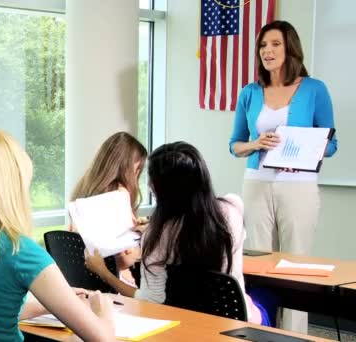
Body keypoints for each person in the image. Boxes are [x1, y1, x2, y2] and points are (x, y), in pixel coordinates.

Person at [0, 129, 115, 342]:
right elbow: (103, 339)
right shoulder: (21, 252)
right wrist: (102, 309)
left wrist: (54, 302)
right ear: (13, 185)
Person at [228, 20, 337, 333]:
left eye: (275, 44)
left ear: (290, 49)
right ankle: (261, 331)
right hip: (256, 185)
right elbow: (235, 145)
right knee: (259, 266)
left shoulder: (314, 89)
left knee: (295, 268)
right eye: (263, 45)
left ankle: (293, 336)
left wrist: (305, 155)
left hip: (298, 188)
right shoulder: (250, 93)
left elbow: (331, 143)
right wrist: (256, 144)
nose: (267, 51)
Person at [85, 142, 267, 325]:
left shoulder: (158, 236)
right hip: (235, 323)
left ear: (159, 189)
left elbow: (149, 300)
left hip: (184, 323)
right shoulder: (233, 209)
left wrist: (104, 272)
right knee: (267, 295)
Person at [69, 131, 148, 286]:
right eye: (138, 168)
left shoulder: (82, 191)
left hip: (85, 284)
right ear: (129, 167)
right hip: (111, 284)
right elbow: (125, 261)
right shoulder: (119, 194)